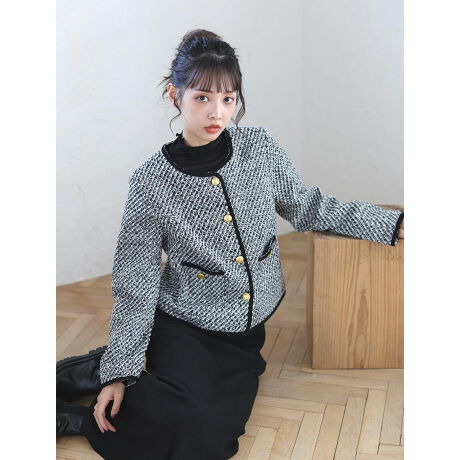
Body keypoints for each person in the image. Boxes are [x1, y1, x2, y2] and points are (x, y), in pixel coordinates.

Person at [56, 29, 404, 459]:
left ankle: (98, 368)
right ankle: (92, 393)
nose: (217, 112)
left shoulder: (259, 148)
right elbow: (136, 281)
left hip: (241, 335)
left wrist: (390, 223)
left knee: (210, 438)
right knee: (183, 415)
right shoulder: (150, 182)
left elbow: (308, 207)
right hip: (184, 321)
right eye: (202, 97)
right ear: (175, 95)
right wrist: (121, 372)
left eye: (228, 98)